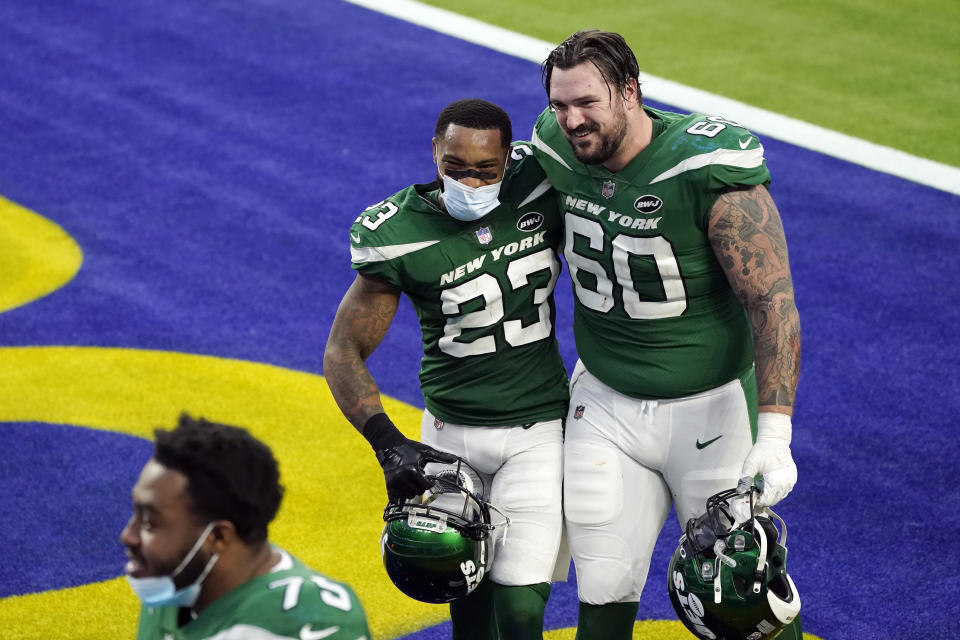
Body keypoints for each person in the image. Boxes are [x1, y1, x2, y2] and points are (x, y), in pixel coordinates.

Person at [532, 30, 803, 639]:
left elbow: (771, 302)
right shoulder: (553, 146)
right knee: (602, 592)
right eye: (559, 104)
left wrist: (778, 430)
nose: (572, 120)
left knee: (742, 600)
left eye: (586, 103)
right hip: (604, 405)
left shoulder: (704, 165)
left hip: (711, 411)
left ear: (630, 91)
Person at [323, 98, 569, 640]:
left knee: (523, 609)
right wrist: (388, 444)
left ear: (510, 159)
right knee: (462, 598)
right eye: (455, 167)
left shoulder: (544, 180)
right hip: (447, 437)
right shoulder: (399, 231)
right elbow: (342, 350)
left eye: (486, 170)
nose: (470, 182)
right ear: (434, 151)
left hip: (537, 432)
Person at [120, 413, 371, 640]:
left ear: (218, 537)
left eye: (150, 523)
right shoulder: (174, 585)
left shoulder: (311, 623)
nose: (128, 536)